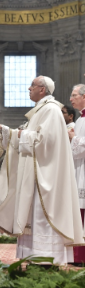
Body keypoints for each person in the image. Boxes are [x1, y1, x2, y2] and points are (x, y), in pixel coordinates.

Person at [0, 75, 84, 265]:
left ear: (42, 90)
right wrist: (10, 132)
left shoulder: (50, 110)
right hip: (37, 173)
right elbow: (31, 136)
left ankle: (46, 258)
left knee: (42, 216)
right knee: (33, 217)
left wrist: (18, 133)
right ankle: (35, 257)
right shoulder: (41, 110)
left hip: (45, 176)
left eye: (32, 85)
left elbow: (44, 141)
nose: (28, 88)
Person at [69, 84, 85, 264]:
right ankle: (77, 256)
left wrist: (73, 138)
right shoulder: (80, 119)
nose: (71, 99)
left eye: (74, 95)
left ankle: (81, 256)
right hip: (79, 169)